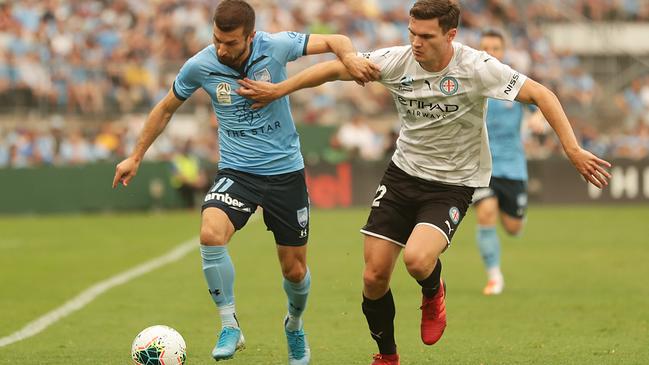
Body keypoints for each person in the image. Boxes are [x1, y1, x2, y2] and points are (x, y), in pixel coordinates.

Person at [236, 1, 611, 364]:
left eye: (426, 36)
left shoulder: (477, 67)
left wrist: (572, 149)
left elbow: (541, 94)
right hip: (403, 174)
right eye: (412, 32)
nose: (416, 42)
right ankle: (387, 356)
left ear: (451, 35)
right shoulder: (397, 60)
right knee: (373, 276)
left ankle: (434, 292)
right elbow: (334, 71)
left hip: (454, 182)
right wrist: (279, 90)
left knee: (417, 260)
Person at [112, 1, 380, 364]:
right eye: (218, 40)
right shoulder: (201, 65)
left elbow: (338, 39)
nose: (223, 49)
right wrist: (136, 155)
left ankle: (295, 326)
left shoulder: (277, 45)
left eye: (232, 43)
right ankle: (229, 325)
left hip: (285, 173)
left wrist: (349, 60)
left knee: (294, 270)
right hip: (237, 172)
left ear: (251, 37)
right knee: (210, 233)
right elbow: (165, 108)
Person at [471, 29, 543, 295]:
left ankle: (513, 213)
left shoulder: (513, 82)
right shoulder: (471, 81)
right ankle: (494, 277)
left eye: (495, 48)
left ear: (503, 52)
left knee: (513, 228)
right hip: (482, 167)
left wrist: (538, 119)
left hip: (513, 167)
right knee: (486, 212)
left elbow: (540, 104)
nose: (490, 52)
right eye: (485, 47)